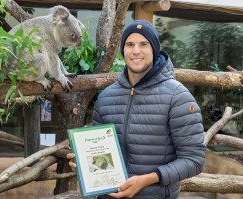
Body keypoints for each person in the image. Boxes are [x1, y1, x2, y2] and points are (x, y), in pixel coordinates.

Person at [67, 19, 206, 199]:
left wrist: (147, 179)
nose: (136, 51)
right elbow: (99, 152)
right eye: (130, 44)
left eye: (144, 44)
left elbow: (194, 161)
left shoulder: (178, 97)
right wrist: (86, 164)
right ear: (123, 50)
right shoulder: (106, 97)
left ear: (154, 49)